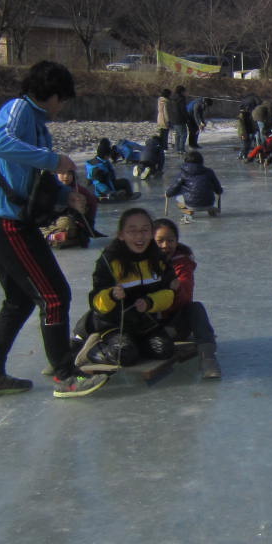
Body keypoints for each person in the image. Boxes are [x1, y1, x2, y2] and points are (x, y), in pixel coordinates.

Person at [0, 59, 108, 399]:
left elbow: (27, 181)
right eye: (63, 99)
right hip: (4, 220)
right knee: (53, 294)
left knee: (19, 300)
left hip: (2, 216)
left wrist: (65, 196)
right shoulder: (20, 109)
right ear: (52, 94)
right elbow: (0, 145)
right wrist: (54, 160)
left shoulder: (37, 121)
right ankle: (64, 374)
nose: (62, 107)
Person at [75, 207, 178, 372]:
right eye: (132, 231)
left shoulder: (157, 259)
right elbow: (97, 302)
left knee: (164, 349)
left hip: (145, 322)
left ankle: (132, 345)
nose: (139, 236)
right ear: (121, 235)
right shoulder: (110, 260)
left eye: (145, 230)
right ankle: (92, 349)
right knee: (124, 354)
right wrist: (112, 295)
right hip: (114, 323)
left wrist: (150, 302)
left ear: (152, 233)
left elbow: (169, 293)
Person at [152, 217, 222, 378]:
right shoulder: (141, 261)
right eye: (160, 241)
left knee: (195, 308)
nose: (165, 245)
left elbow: (185, 296)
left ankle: (208, 360)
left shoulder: (182, 261)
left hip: (174, 323)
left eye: (170, 240)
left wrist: (174, 289)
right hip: (148, 325)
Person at [165, 148, 225, 216]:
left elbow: (175, 187)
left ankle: (188, 209)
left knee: (178, 197)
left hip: (191, 204)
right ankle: (209, 209)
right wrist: (219, 191)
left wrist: (168, 193)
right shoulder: (209, 172)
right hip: (208, 203)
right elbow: (218, 188)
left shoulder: (183, 173)